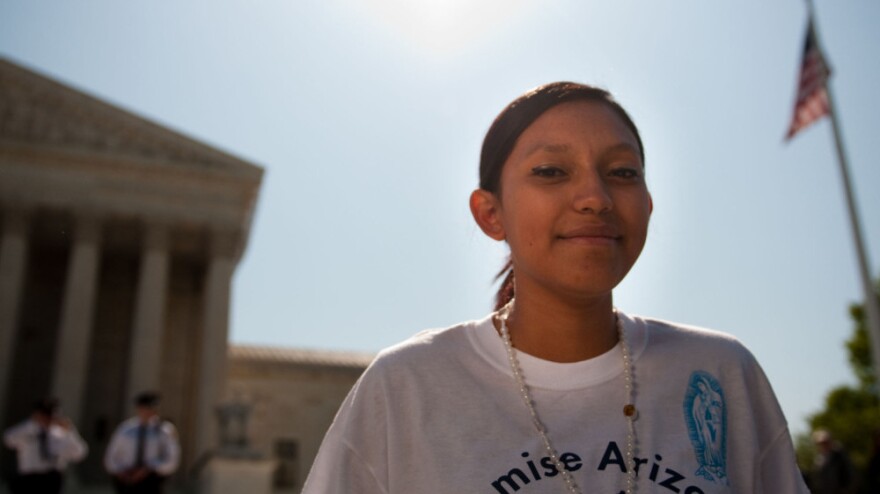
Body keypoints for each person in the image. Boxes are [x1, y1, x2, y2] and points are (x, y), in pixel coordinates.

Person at [302, 82, 809, 493]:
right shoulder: (406, 386)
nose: (595, 196)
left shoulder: (720, 373)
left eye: (622, 172)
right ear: (490, 213)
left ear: (648, 205)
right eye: (551, 171)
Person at [2, 398, 88, 494]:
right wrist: (31, 424)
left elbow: (80, 453)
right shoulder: (28, 430)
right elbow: (8, 440)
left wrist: (70, 432)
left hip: (51, 480)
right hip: (28, 479)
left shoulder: (61, 434)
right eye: (44, 415)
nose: (47, 419)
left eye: (51, 416)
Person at [104, 392, 180, 494]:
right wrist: (121, 472)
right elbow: (111, 457)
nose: (146, 412)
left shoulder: (164, 430)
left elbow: (171, 460)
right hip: (126, 480)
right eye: (143, 408)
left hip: (152, 480)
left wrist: (148, 469)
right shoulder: (126, 429)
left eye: (150, 409)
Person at [809, 429, 854, 494]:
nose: (823, 445)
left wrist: (846, 490)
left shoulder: (839, 456)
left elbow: (849, 475)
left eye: (825, 442)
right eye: (821, 443)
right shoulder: (818, 460)